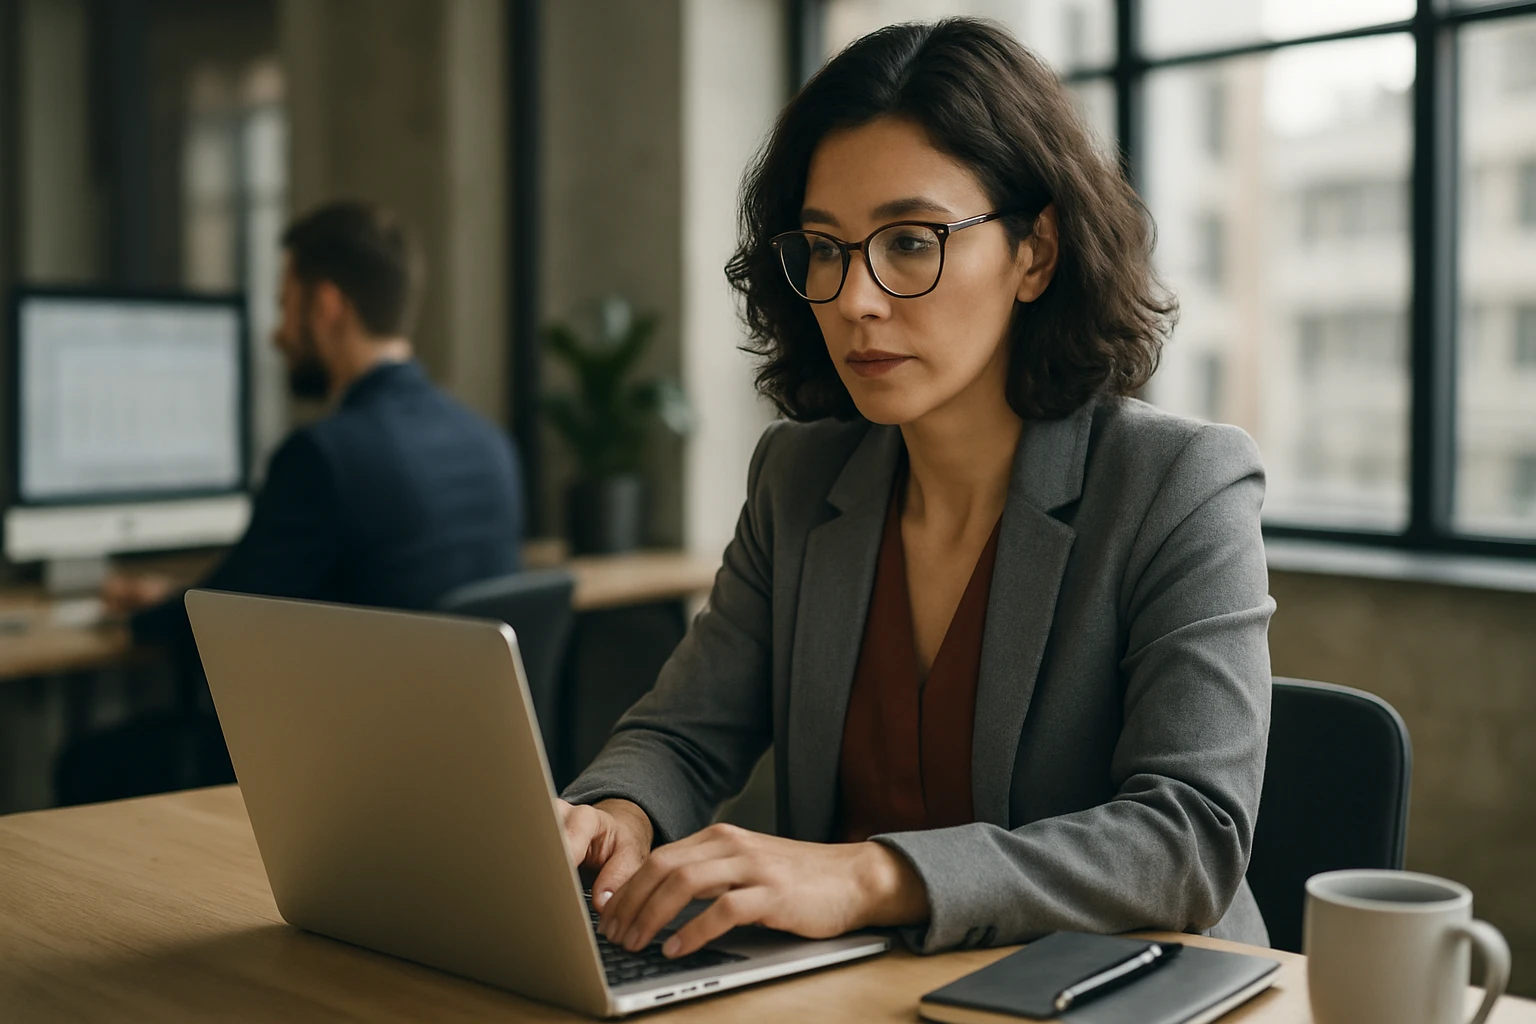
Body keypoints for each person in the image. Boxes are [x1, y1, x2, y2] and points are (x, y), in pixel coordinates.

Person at [558, 18, 1274, 960]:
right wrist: (617, 812)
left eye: (909, 241)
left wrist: (868, 875)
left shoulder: (1180, 483)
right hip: (859, 995)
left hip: (1116, 995)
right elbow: (684, 736)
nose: (854, 298)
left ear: (1036, 252)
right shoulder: (799, 478)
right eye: (823, 247)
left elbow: (1188, 839)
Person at [103, 201, 525, 653]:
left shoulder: (324, 458)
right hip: (461, 723)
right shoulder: (491, 445)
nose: (276, 335)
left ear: (326, 307)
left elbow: (218, 622)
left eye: (285, 307)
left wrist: (135, 618)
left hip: (348, 723)